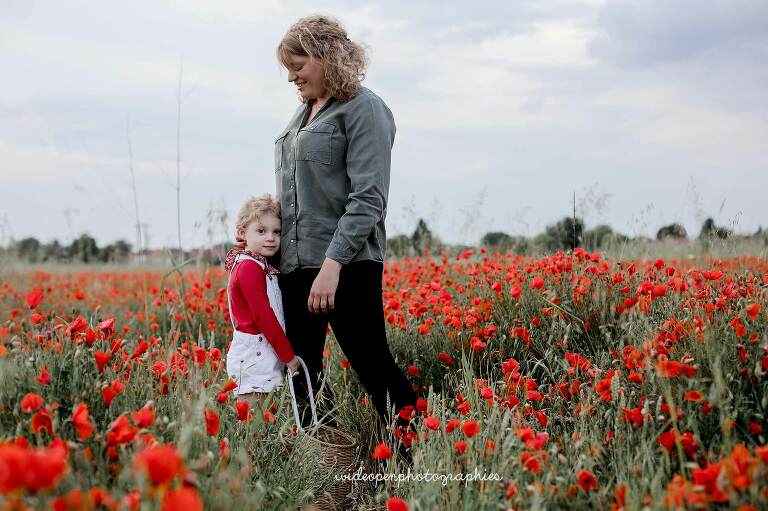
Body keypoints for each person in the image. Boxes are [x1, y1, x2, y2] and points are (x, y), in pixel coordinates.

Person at [273, 15, 418, 444]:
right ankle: (330, 464)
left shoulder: (364, 108)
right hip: (295, 264)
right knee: (302, 372)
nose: (291, 76)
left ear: (326, 57)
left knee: (373, 366)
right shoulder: (303, 112)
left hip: (346, 266)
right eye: (287, 67)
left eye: (298, 64)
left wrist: (332, 266)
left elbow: (368, 198)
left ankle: (418, 462)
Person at [224, 194, 300, 416]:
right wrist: (289, 357)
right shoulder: (248, 268)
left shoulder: (259, 264)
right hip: (253, 357)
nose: (271, 238)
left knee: (265, 420)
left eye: (276, 232)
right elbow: (263, 316)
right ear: (241, 233)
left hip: (261, 354)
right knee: (254, 421)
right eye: (261, 231)